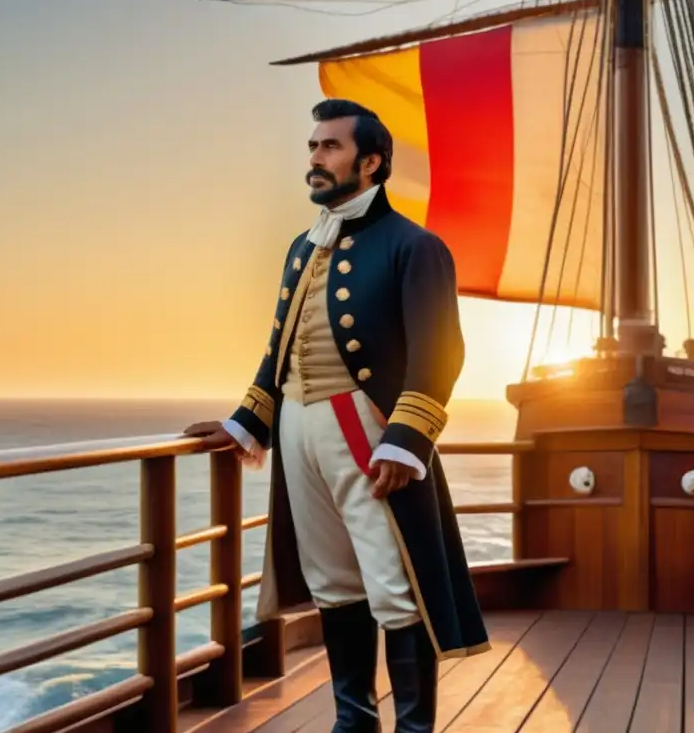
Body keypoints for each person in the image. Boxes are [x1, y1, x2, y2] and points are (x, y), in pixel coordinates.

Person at [185, 98, 489, 732]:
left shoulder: (415, 246)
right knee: (332, 580)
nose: (315, 159)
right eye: (312, 147)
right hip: (297, 424)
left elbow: (440, 352)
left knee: (392, 584)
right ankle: (353, 722)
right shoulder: (303, 246)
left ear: (371, 162)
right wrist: (246, 421)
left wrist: (406, 441)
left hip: (363, 425)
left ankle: (413, 728)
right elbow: (280, 349)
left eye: (330, 147)